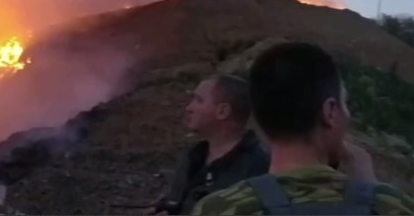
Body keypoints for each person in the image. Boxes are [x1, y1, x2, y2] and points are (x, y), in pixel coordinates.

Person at [192, 42, 414, 215]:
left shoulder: (216, 209)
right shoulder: (395, 207)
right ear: (330, 112)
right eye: (345, 104)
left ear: (261, 119)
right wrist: (372, 192)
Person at [148, 75, 270, 215]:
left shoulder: (258, 166)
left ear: (222, 111)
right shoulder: (194, 157)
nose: (189, 107)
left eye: (199, 100)